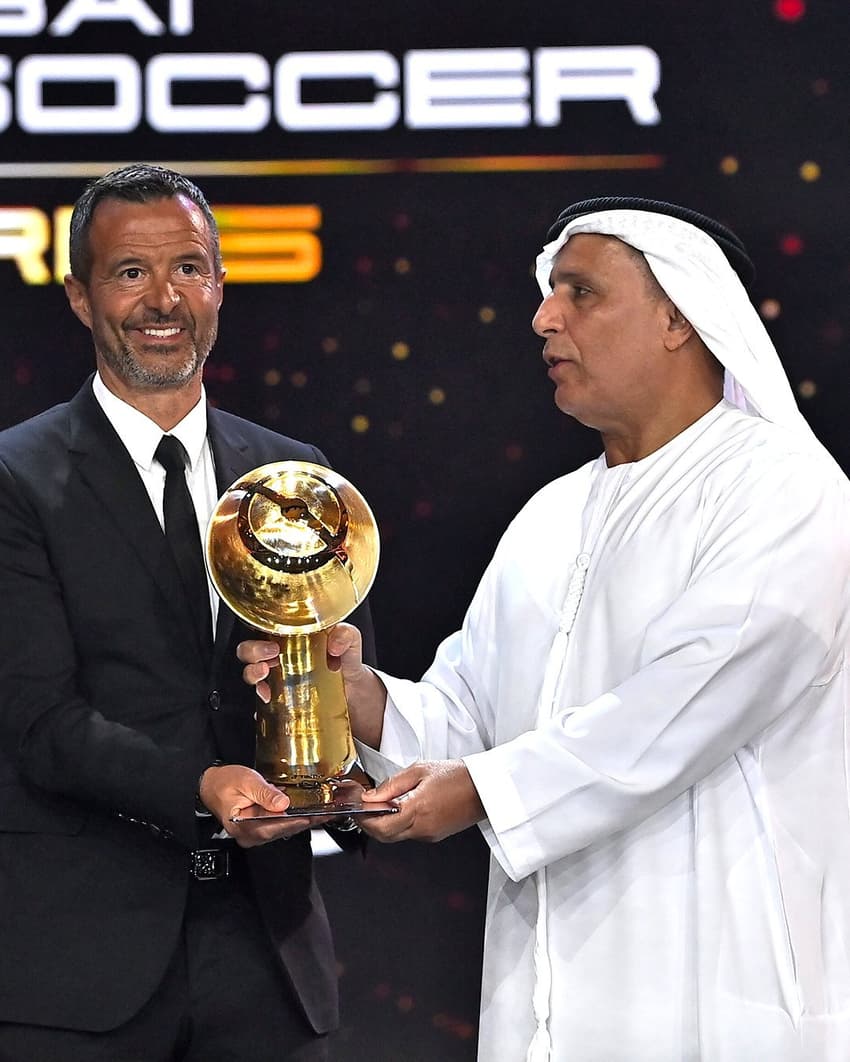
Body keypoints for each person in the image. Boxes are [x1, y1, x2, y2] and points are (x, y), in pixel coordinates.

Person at [242, 196, 850, 1061]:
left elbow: (688, 702)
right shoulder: (550, 515)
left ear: (681, 315)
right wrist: (352, 697)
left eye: (581, 293)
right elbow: (471, 720)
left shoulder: (785, 490)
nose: (542, 318)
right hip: (547, 996)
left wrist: (484, 792)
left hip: (721, 987)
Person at [0, 163, 375, 1061]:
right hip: (81, 973)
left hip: (269, 961)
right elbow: (37, 718)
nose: (163, 299)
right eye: (131, 272)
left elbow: (331, 675)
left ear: (219, 285)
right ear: (81, 296)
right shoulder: (17, 478)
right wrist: (200, 788)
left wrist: (341, 697)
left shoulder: (291, 473)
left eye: (189, 269)